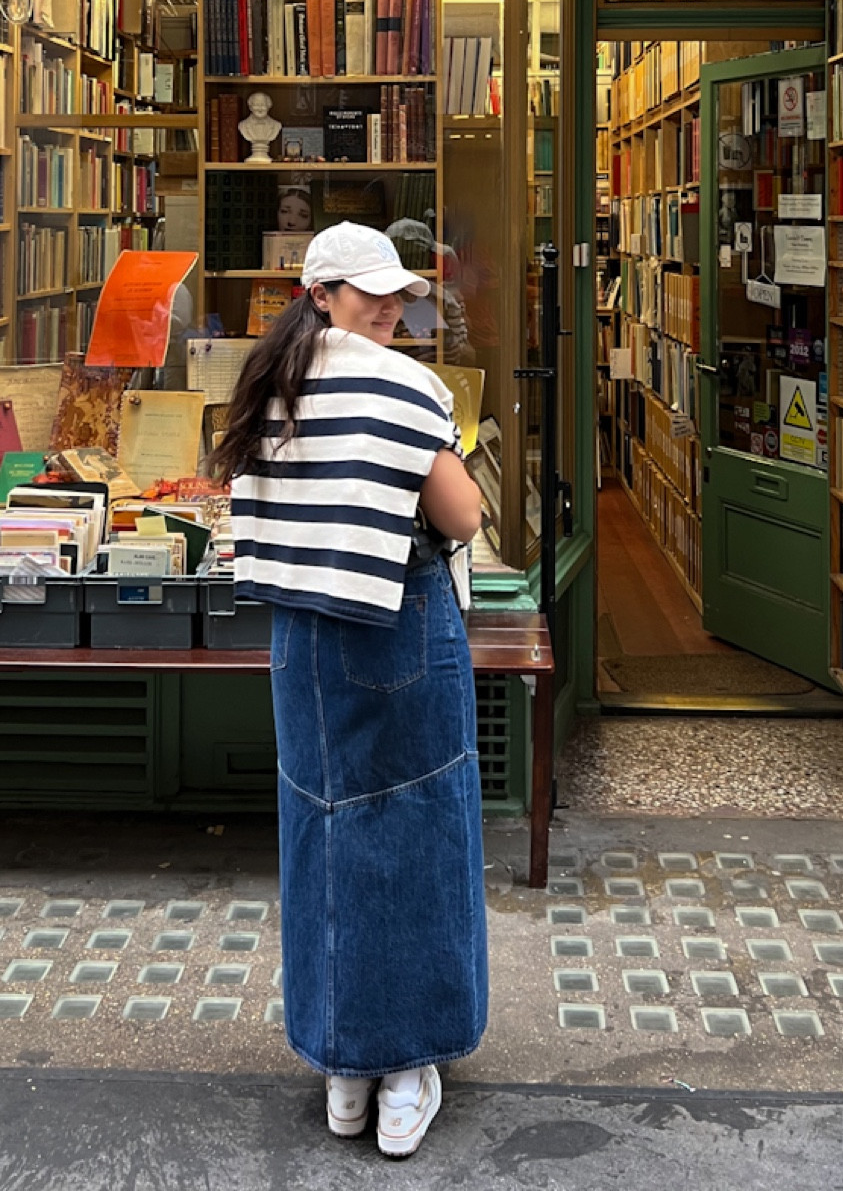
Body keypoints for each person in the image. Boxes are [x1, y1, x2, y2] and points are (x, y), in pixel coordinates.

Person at [213, 222, 487, 1159]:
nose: (390, 307)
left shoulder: (265, 383)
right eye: (371, 290)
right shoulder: (404, 384)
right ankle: (405, 1068)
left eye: (397, 292)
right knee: (418, 824)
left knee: (322, 827)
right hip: (398, 623)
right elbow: (462, 514)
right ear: (321, 294)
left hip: (300, 636)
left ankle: (342, 1064)